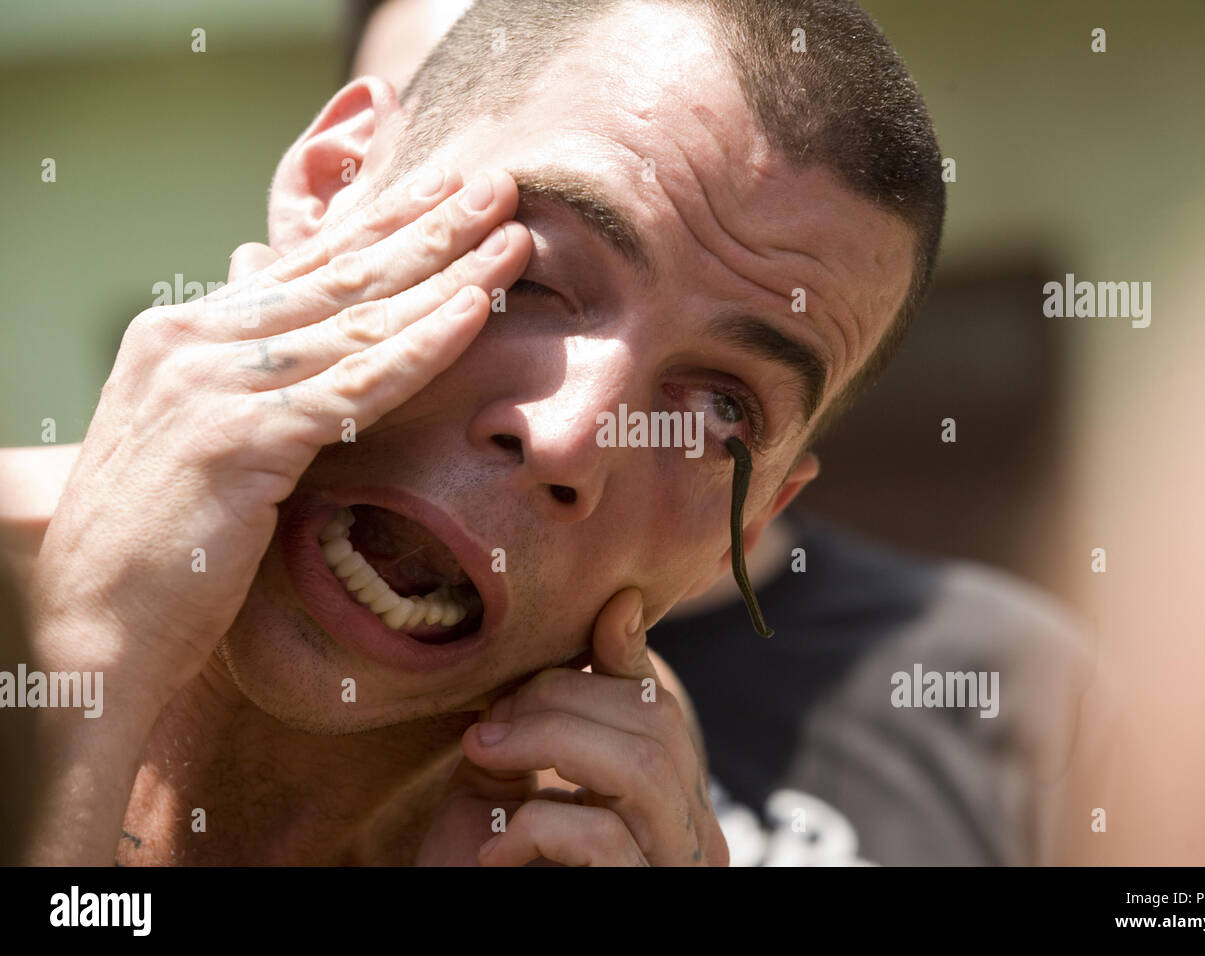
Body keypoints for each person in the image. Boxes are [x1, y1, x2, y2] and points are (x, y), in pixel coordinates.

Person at [19, 0, 946, 865]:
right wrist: (78, 671)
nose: (571, 437)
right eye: (532, 274)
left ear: (741, 534)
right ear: (330, 187)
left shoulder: (623, 826)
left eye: (720, 413)